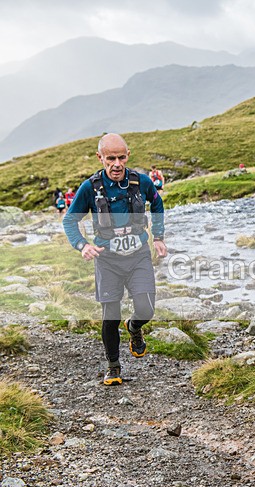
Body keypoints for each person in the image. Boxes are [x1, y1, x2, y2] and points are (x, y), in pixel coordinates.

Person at [62, 133, 167, 386]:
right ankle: (113, 367)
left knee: (146, 309)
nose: (117, 164)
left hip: (139, 255)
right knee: (111, 314)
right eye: (110, 158)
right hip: (107, 258)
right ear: (100, 158)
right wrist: (82, 244)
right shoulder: (90, 188)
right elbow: (70, 220)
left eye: (121, 157)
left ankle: (134, 327)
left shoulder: (141, 182)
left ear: (128, 155)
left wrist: (158, 237)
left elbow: (157, 204)